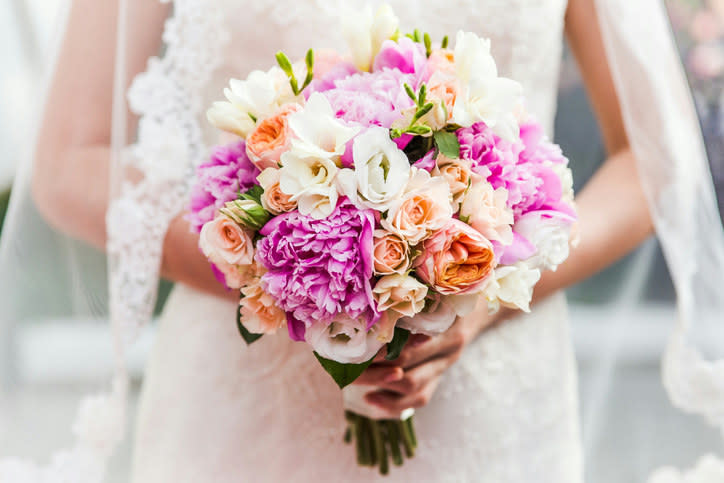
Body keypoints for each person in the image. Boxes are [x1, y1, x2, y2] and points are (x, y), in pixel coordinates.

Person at [19, 0, 706, 481]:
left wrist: (480, 295)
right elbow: (68, 161)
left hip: (489, 407)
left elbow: (655, 158)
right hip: (244, 401)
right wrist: (285, 272)